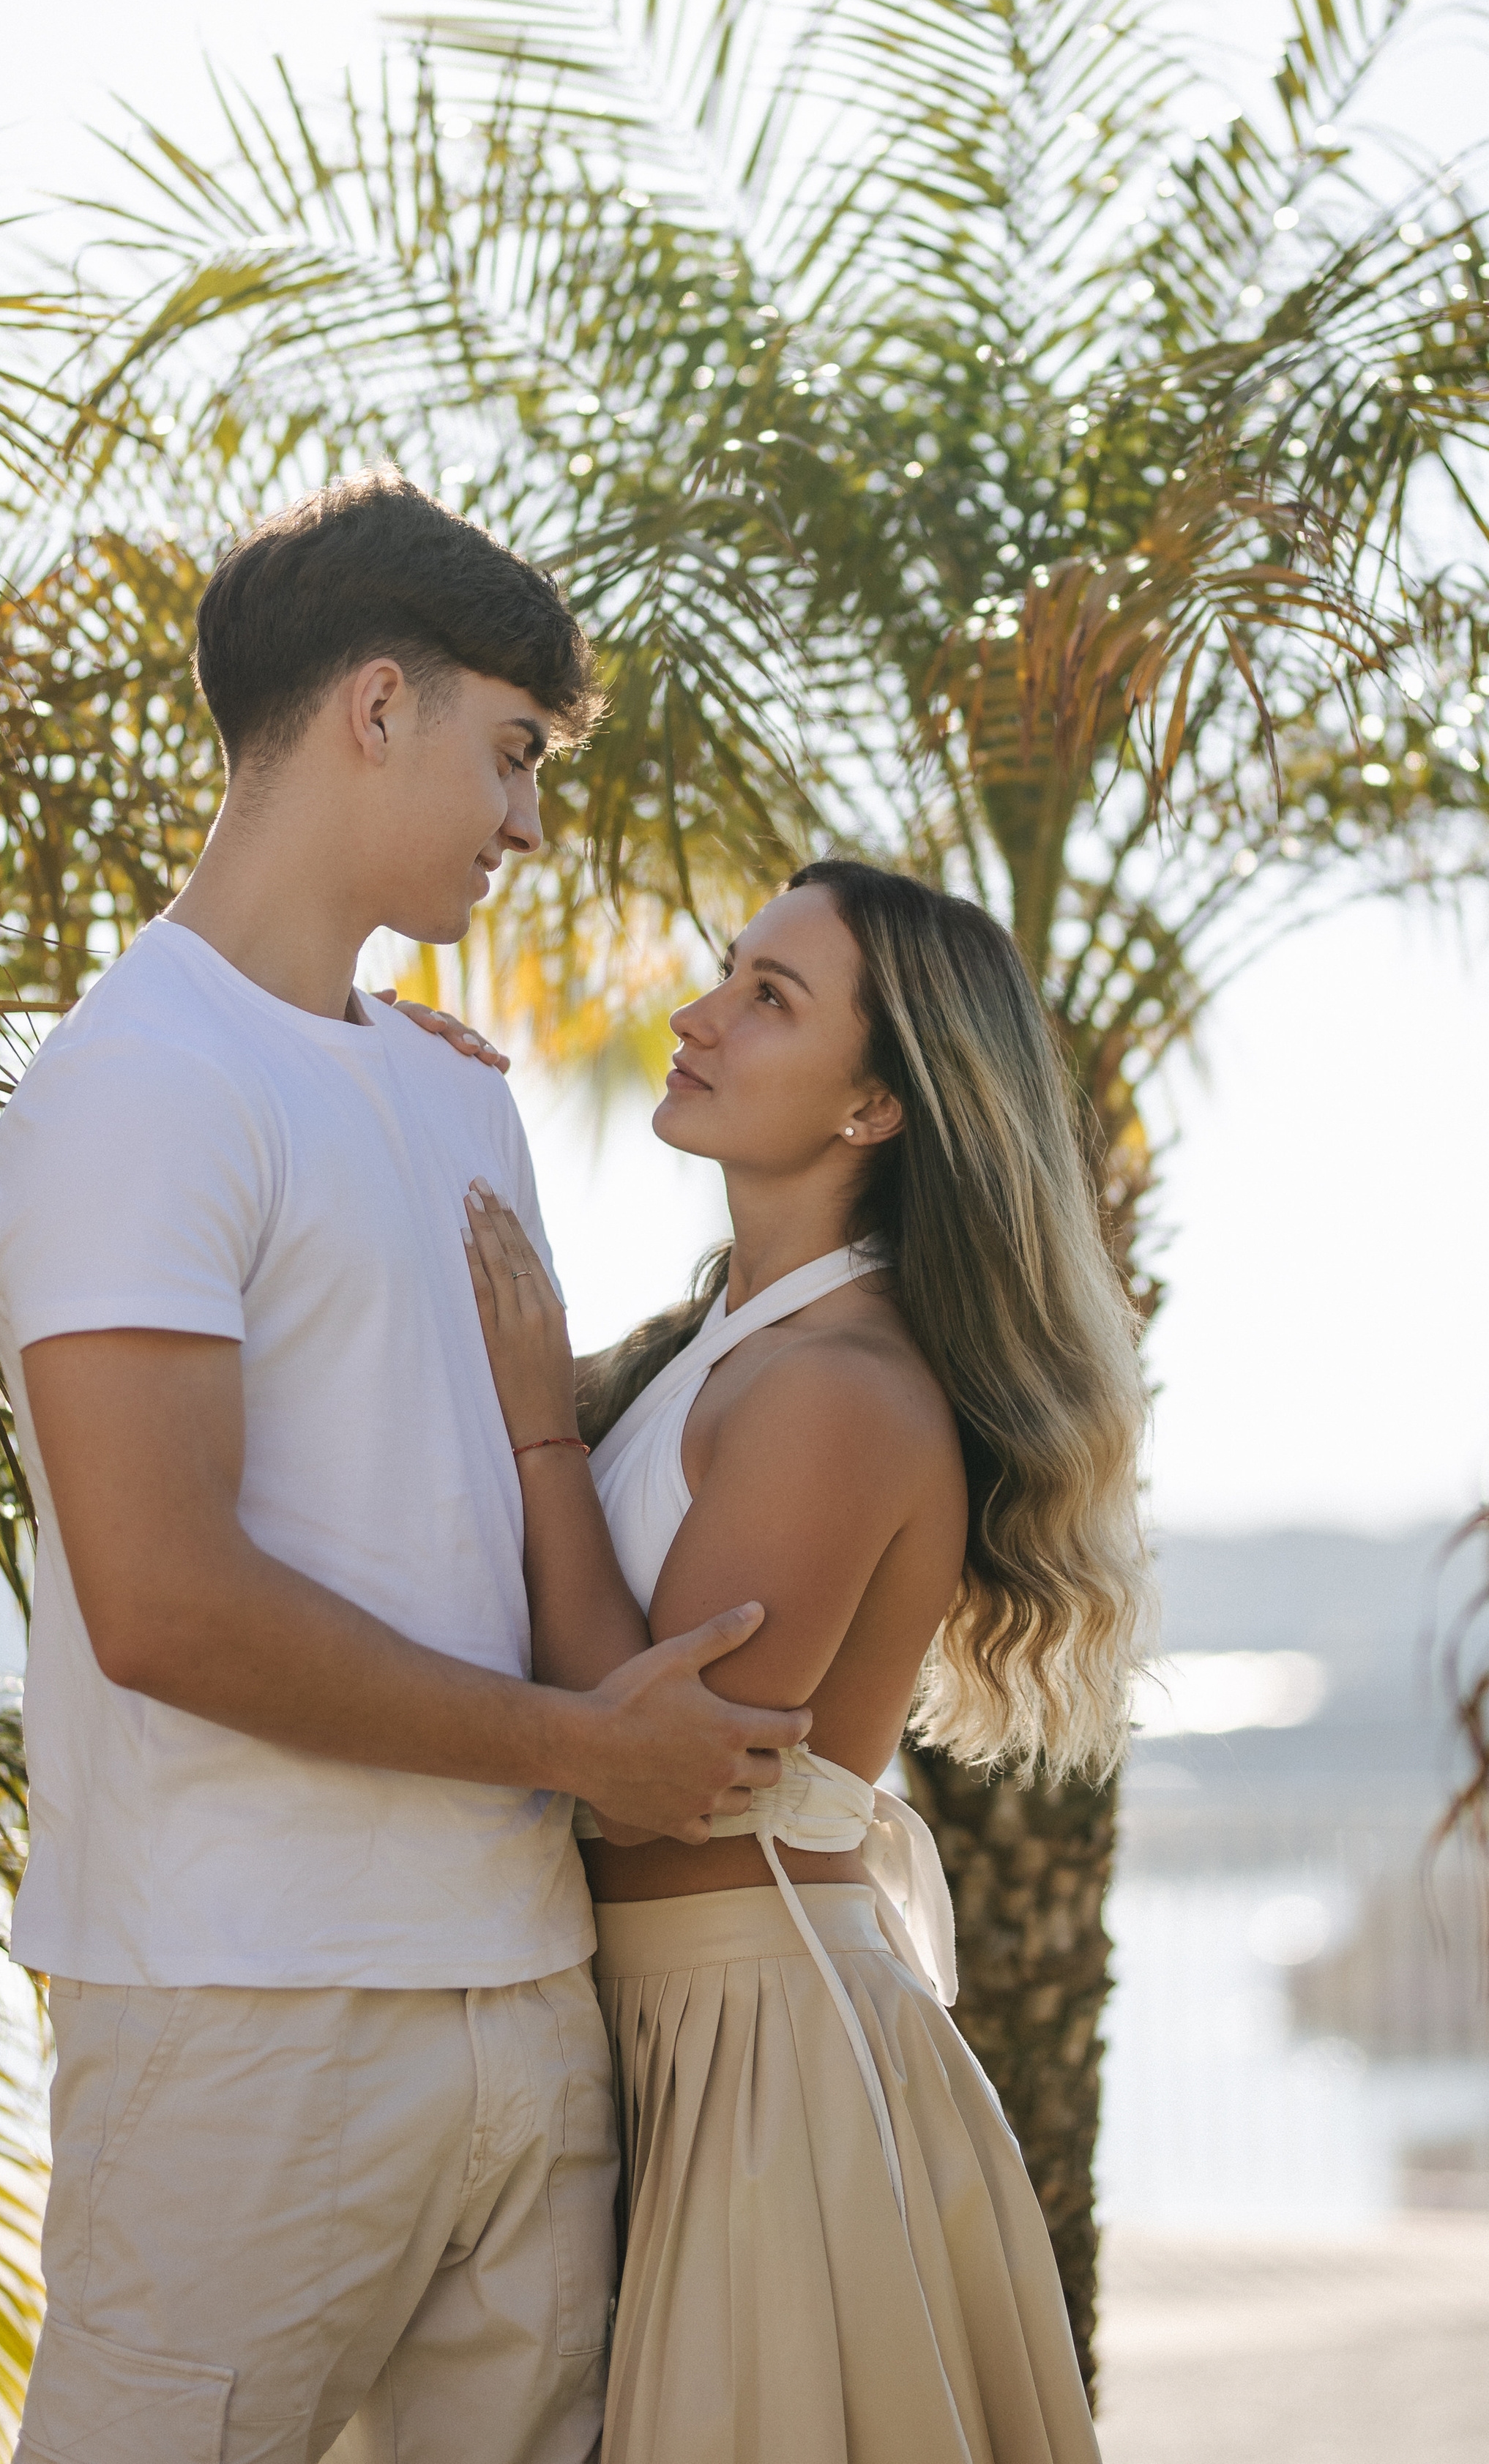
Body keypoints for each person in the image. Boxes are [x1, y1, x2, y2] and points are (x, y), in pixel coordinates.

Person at [0, 466, 810, 2464]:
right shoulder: (136, 1088)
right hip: (252, 2018)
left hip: (523, 2007)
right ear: (375, 705)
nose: (531, 822)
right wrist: (580, 1748)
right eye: (512, 756)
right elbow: (164, 1602)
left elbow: (483, 1492)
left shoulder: (452, 1099)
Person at [453, 857, 1152, 2464]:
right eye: (724, 973)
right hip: (641, 2025)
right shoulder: (716, 1349)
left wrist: (541, 1431)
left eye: (770, 999)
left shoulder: (838, 1385)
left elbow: (648, 1785)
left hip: (752, 2060)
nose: (697, 1017)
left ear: (877, 1110)